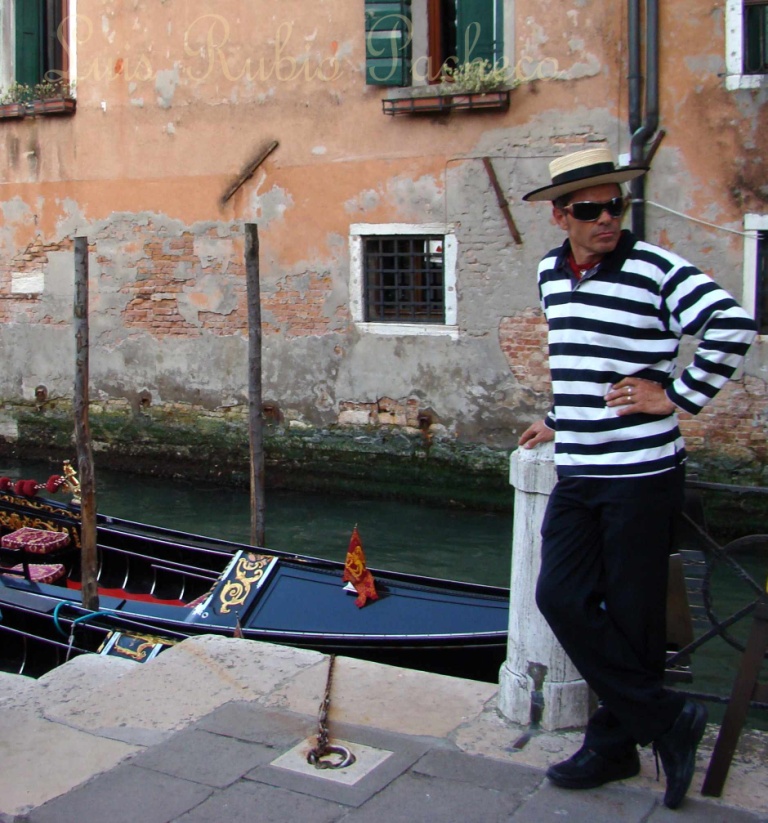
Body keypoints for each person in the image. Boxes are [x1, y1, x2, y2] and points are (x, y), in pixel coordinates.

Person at [519, 147, 757, 810]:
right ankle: (665, 721)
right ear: (561, 216)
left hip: (643, 474)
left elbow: (732, 324)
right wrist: (554, 417)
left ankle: (615, 745)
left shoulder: (654, 268)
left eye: (615, 205)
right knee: (560, 596)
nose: (607, 218)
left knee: (631, 617)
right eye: (590, 209)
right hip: (581, 471)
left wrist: (675, 395)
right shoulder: (549, 273)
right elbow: (574, 359)